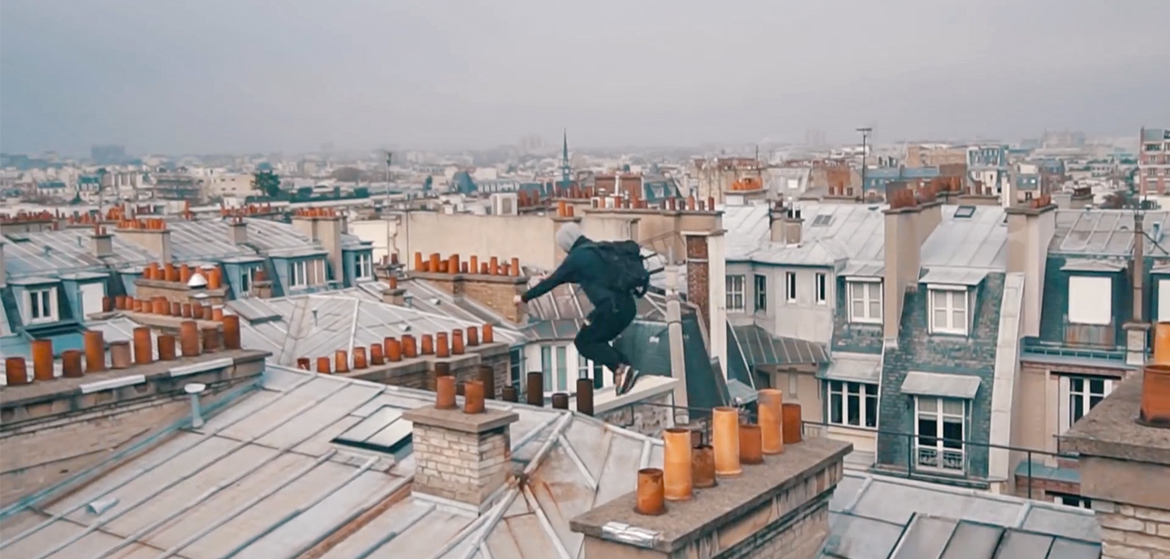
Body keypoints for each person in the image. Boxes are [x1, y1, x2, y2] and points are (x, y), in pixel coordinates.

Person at [516, 222, 644, 395]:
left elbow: (551, 283)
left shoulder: (576, 258)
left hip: (611, 310)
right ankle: (625, 369)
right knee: (595, 337)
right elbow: (593, 276)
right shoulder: (599, 248)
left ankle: (620, 367)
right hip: (627, 308)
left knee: (584, 342)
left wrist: (523, 297)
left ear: (566, 244)